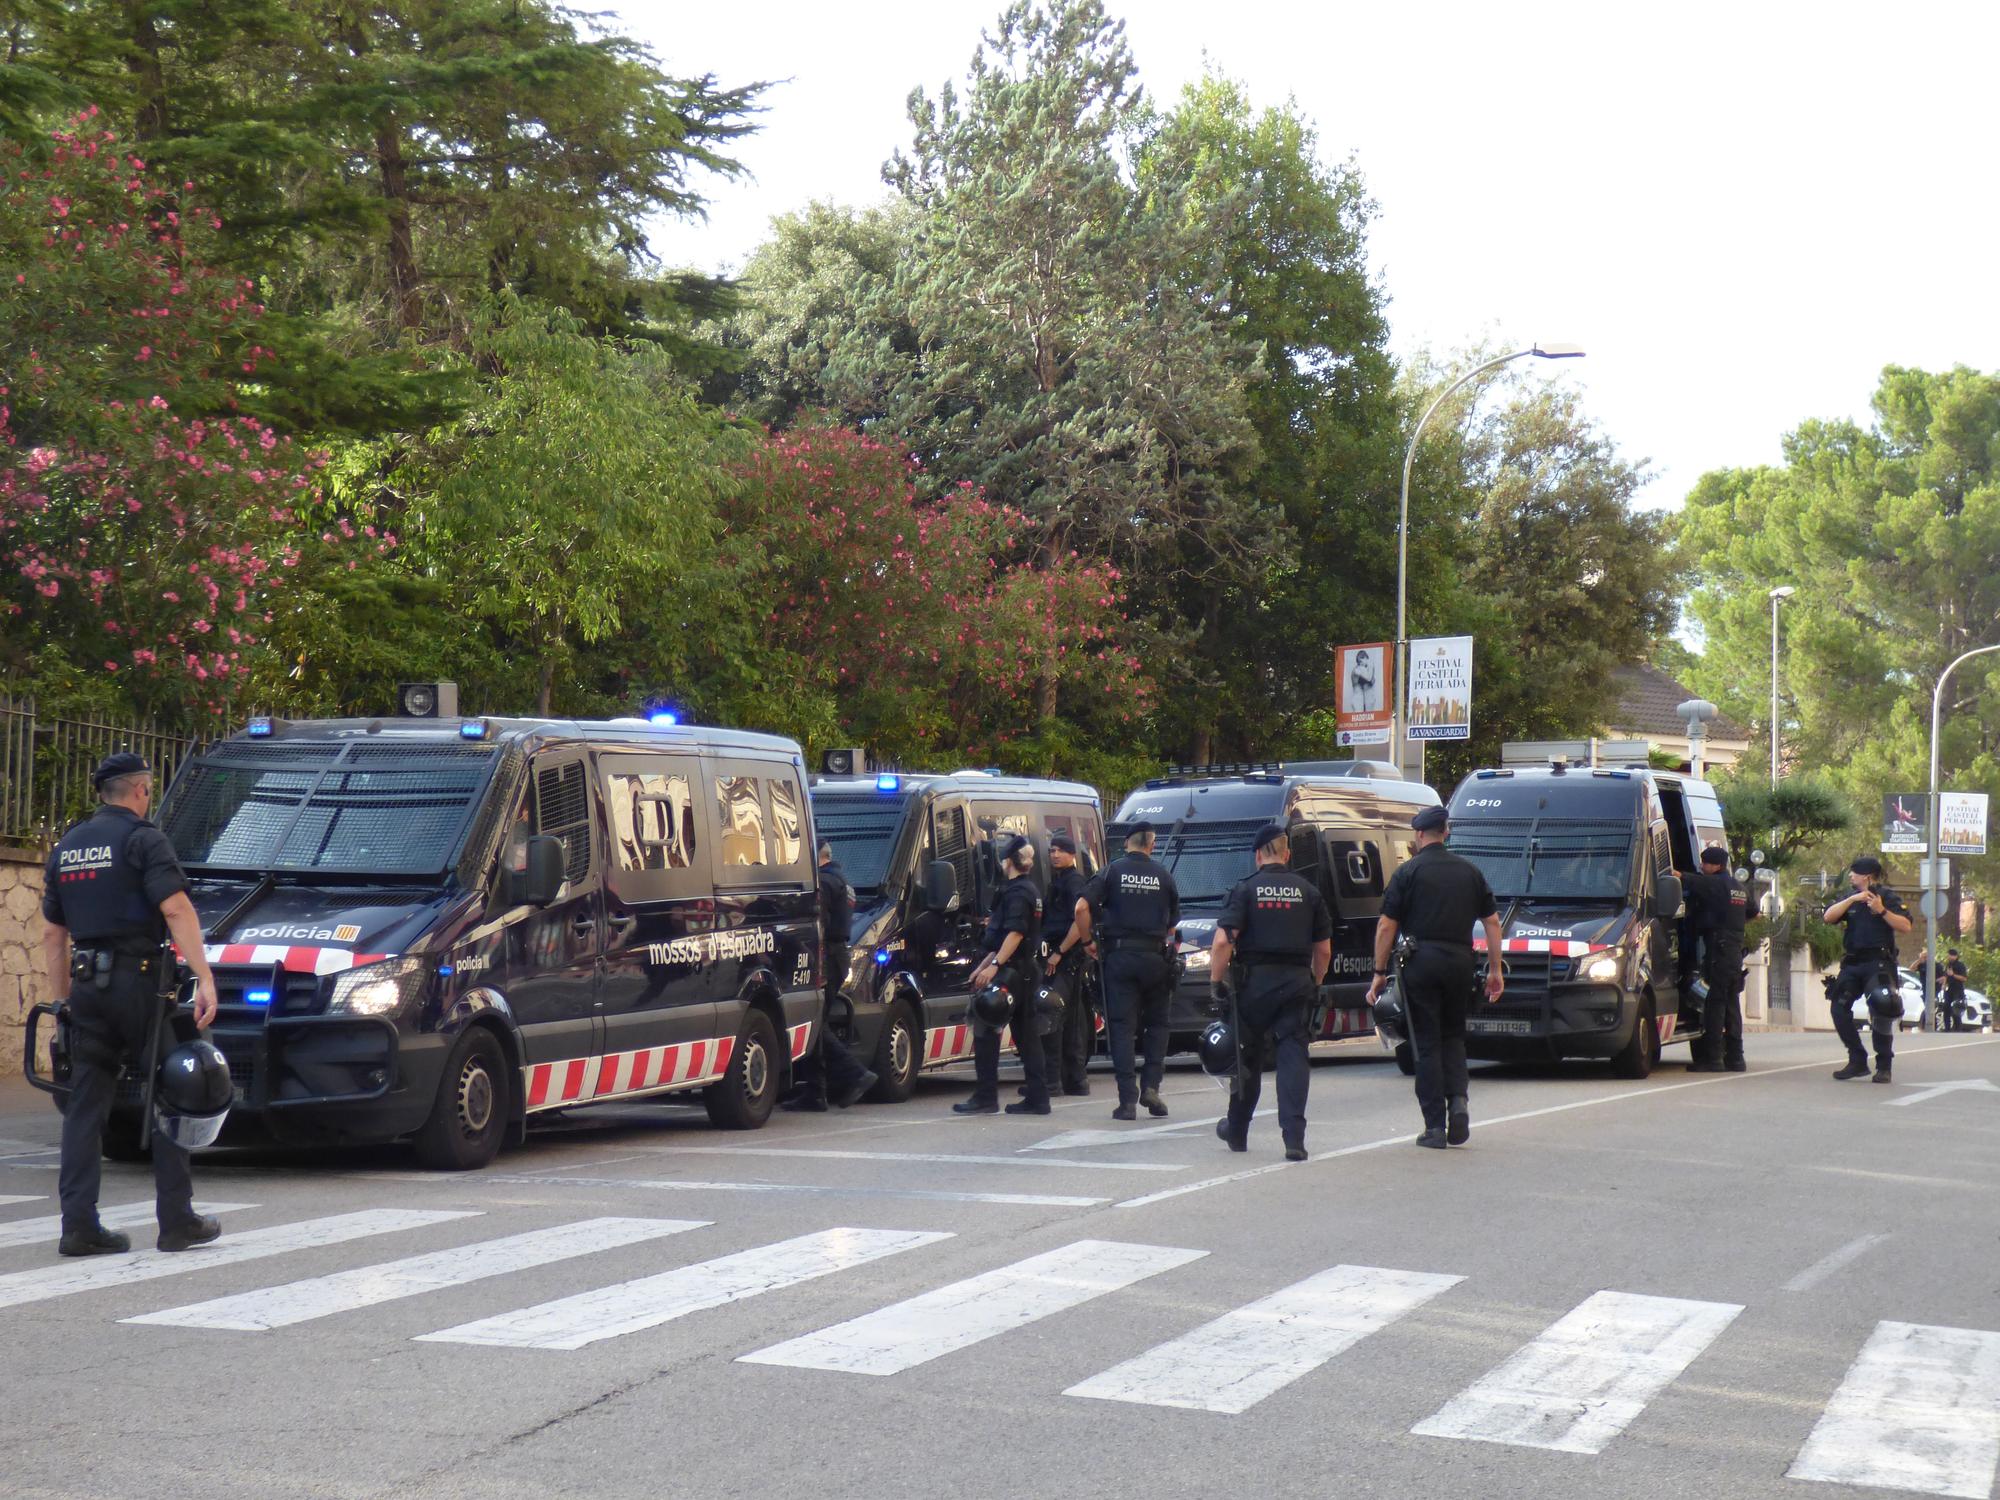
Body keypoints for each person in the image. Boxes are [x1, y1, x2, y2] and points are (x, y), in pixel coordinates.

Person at [40, 752, 220, 1256]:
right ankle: (177, 1219)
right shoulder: (143, 840)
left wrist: (62, 1004)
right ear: (140, 790)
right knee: (174, 1091)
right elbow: (176, 907)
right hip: (137, 985)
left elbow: (55, 934)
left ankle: (78, 1226)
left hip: (86, 989)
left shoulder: (68, 846)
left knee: (84, 1108)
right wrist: (204, 977)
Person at [1364, 806, 1504, 1149]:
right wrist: (1496, 970)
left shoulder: (1408, 872)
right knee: (1454, 1036)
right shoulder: (1470, 871)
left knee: (1426, 1043)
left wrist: (1379, 973)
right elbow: (1493, 922)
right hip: (1460, 963)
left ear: (1419, 835)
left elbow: (1386, 926)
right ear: (1446, 832)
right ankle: (1458, 1103)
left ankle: (1434, 1127)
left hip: (1421, 963)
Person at [1208, 823, 1331, 1162]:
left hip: (1253, 986)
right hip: (1295, 983)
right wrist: (1316, 982)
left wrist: (1216, 982)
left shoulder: (1246, 890)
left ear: (1258, 854)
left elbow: (1222, 941)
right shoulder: (1308, 892)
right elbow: (1323, 950)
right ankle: (1294, 1138)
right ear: (1287, 854)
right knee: (1293, 1056)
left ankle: (1237, 1130)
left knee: (1246, 1057)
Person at [1075, 821, 1180, 1121]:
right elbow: (1172, 925)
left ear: (1127, 843)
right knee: (1158, 1025)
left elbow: (1081, 908)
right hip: (1156, 959)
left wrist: (1087, 943)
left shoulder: (1111, 871)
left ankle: (1127, 1101)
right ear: (1152, 844)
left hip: (1119, 957)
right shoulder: (1164, 875)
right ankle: (1152, 1088)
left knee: (1121, 1027)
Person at [955, 835, 1050, 1116]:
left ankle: (986, 1097)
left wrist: (994, 966)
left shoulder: (1018, 892)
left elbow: (1015, 933)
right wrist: (983, 965)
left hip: (1013, 972)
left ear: (1007, 861)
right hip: (1023, 970)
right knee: (1027, 1036)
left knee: (986, 1027)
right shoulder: (1027, 889)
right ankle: (1038, 1098)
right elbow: (1003, 937)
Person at [782, 845, 878, 1111]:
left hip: (826, 956)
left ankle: (855, 1075)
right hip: (837, 955)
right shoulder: (842, 880)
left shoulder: (823, 882)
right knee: (817, 1022)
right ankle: (816, 1092)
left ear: (816, 856)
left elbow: (818, 926)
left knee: (814, 1024)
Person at [1824, 856, 1912, 1083]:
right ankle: (1857, 1060)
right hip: (1853, 963)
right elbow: (1828, 916)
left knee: (1883, 1007)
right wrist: (1853, 899)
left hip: (1879, 963)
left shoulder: (1888, 897)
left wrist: (1881, 910)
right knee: (1838, 1009)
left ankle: (1884, 1066)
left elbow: (1906, 926)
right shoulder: (1850, 898)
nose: (1851, 876)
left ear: (1867, 876)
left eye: (1854, 872)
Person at [1681, 846, 1748, 1072]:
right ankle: (1736, 1059)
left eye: (1705, 863)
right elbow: (1755, 913)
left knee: (1714, 1004)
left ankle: (1713, 1059)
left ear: (1716, 865)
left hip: (1719, 950)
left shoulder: (1714, 883)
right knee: (1731, 1003)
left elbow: (1684, 879)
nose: (1702, 866)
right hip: (1734, 950)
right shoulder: (1739, 888)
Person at [1040, 831, 1094, 1095]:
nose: (1055, 854)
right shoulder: (1059, 881)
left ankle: (1060, 1081)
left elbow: (1080, 920)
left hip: (1067, 958)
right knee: (1066, 1019)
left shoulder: (1074, 882)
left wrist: (1059, 951)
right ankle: (1072, 1080)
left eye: (1060, 850)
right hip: (1060, 956)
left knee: (1057, 1017)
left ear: (1072, 854)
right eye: (1052, 850)